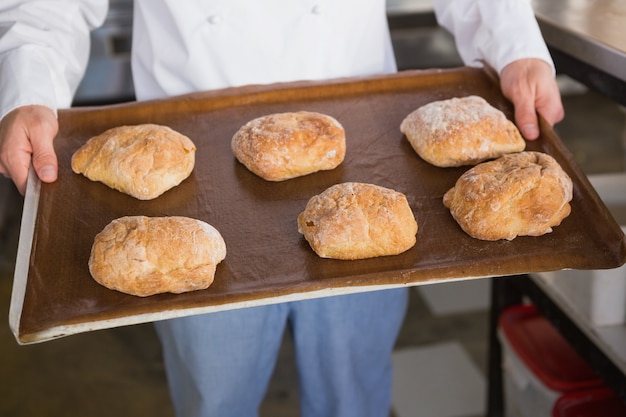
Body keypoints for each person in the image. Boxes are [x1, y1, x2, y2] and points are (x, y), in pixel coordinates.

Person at [0, 1, 564, 416]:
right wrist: (27, 88)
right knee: (214, 397)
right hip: (191, 180)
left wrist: (514, 44)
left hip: (365, 155)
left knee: (354, 392)